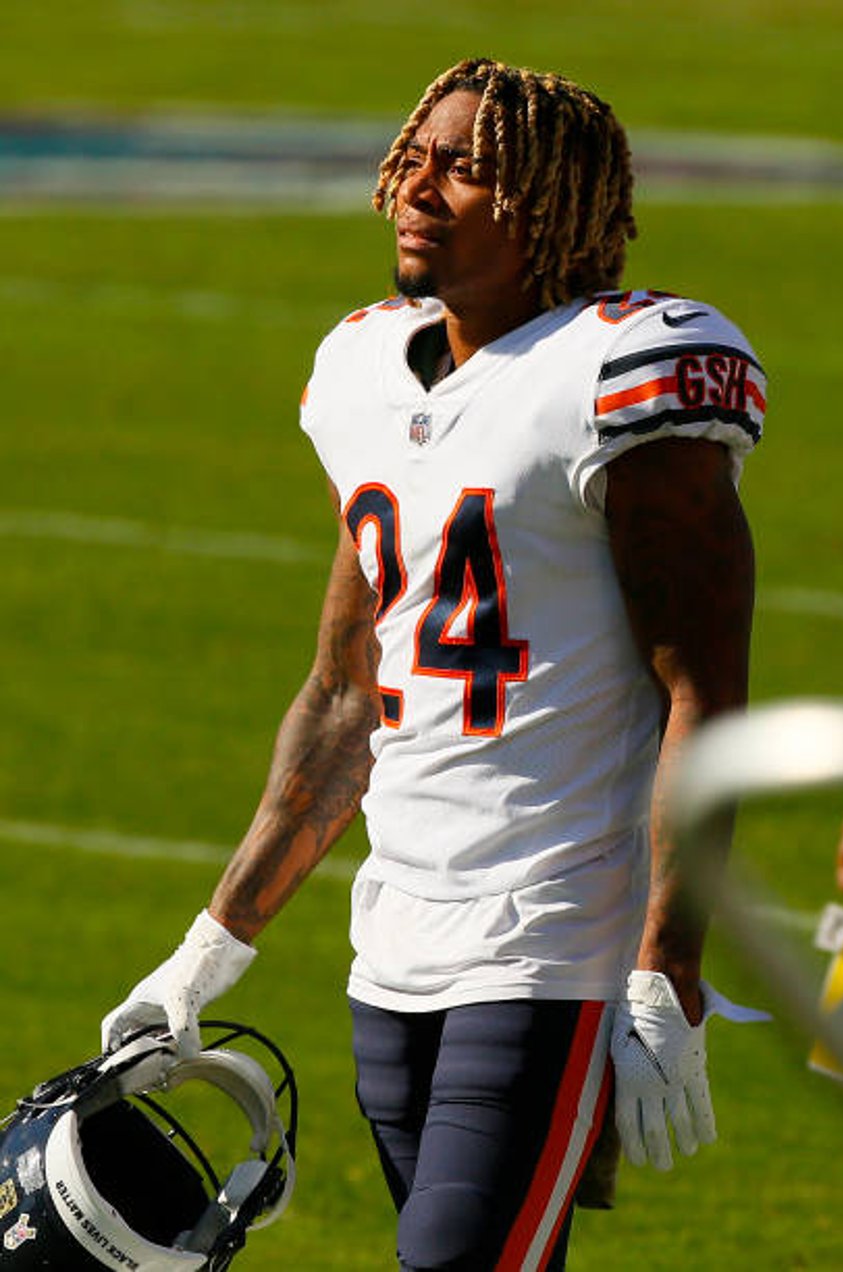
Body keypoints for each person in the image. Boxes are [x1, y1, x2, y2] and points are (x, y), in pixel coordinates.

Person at [102, 58, 767, 1270]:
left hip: (553, 936)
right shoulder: (363, 372)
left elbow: (702, 696)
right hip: (395, 942)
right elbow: (345, 697)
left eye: (466, 167)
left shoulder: (619, 374)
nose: (418, 185)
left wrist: (663, 968)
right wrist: (211, 944)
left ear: (549, 206)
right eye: (415, 157)